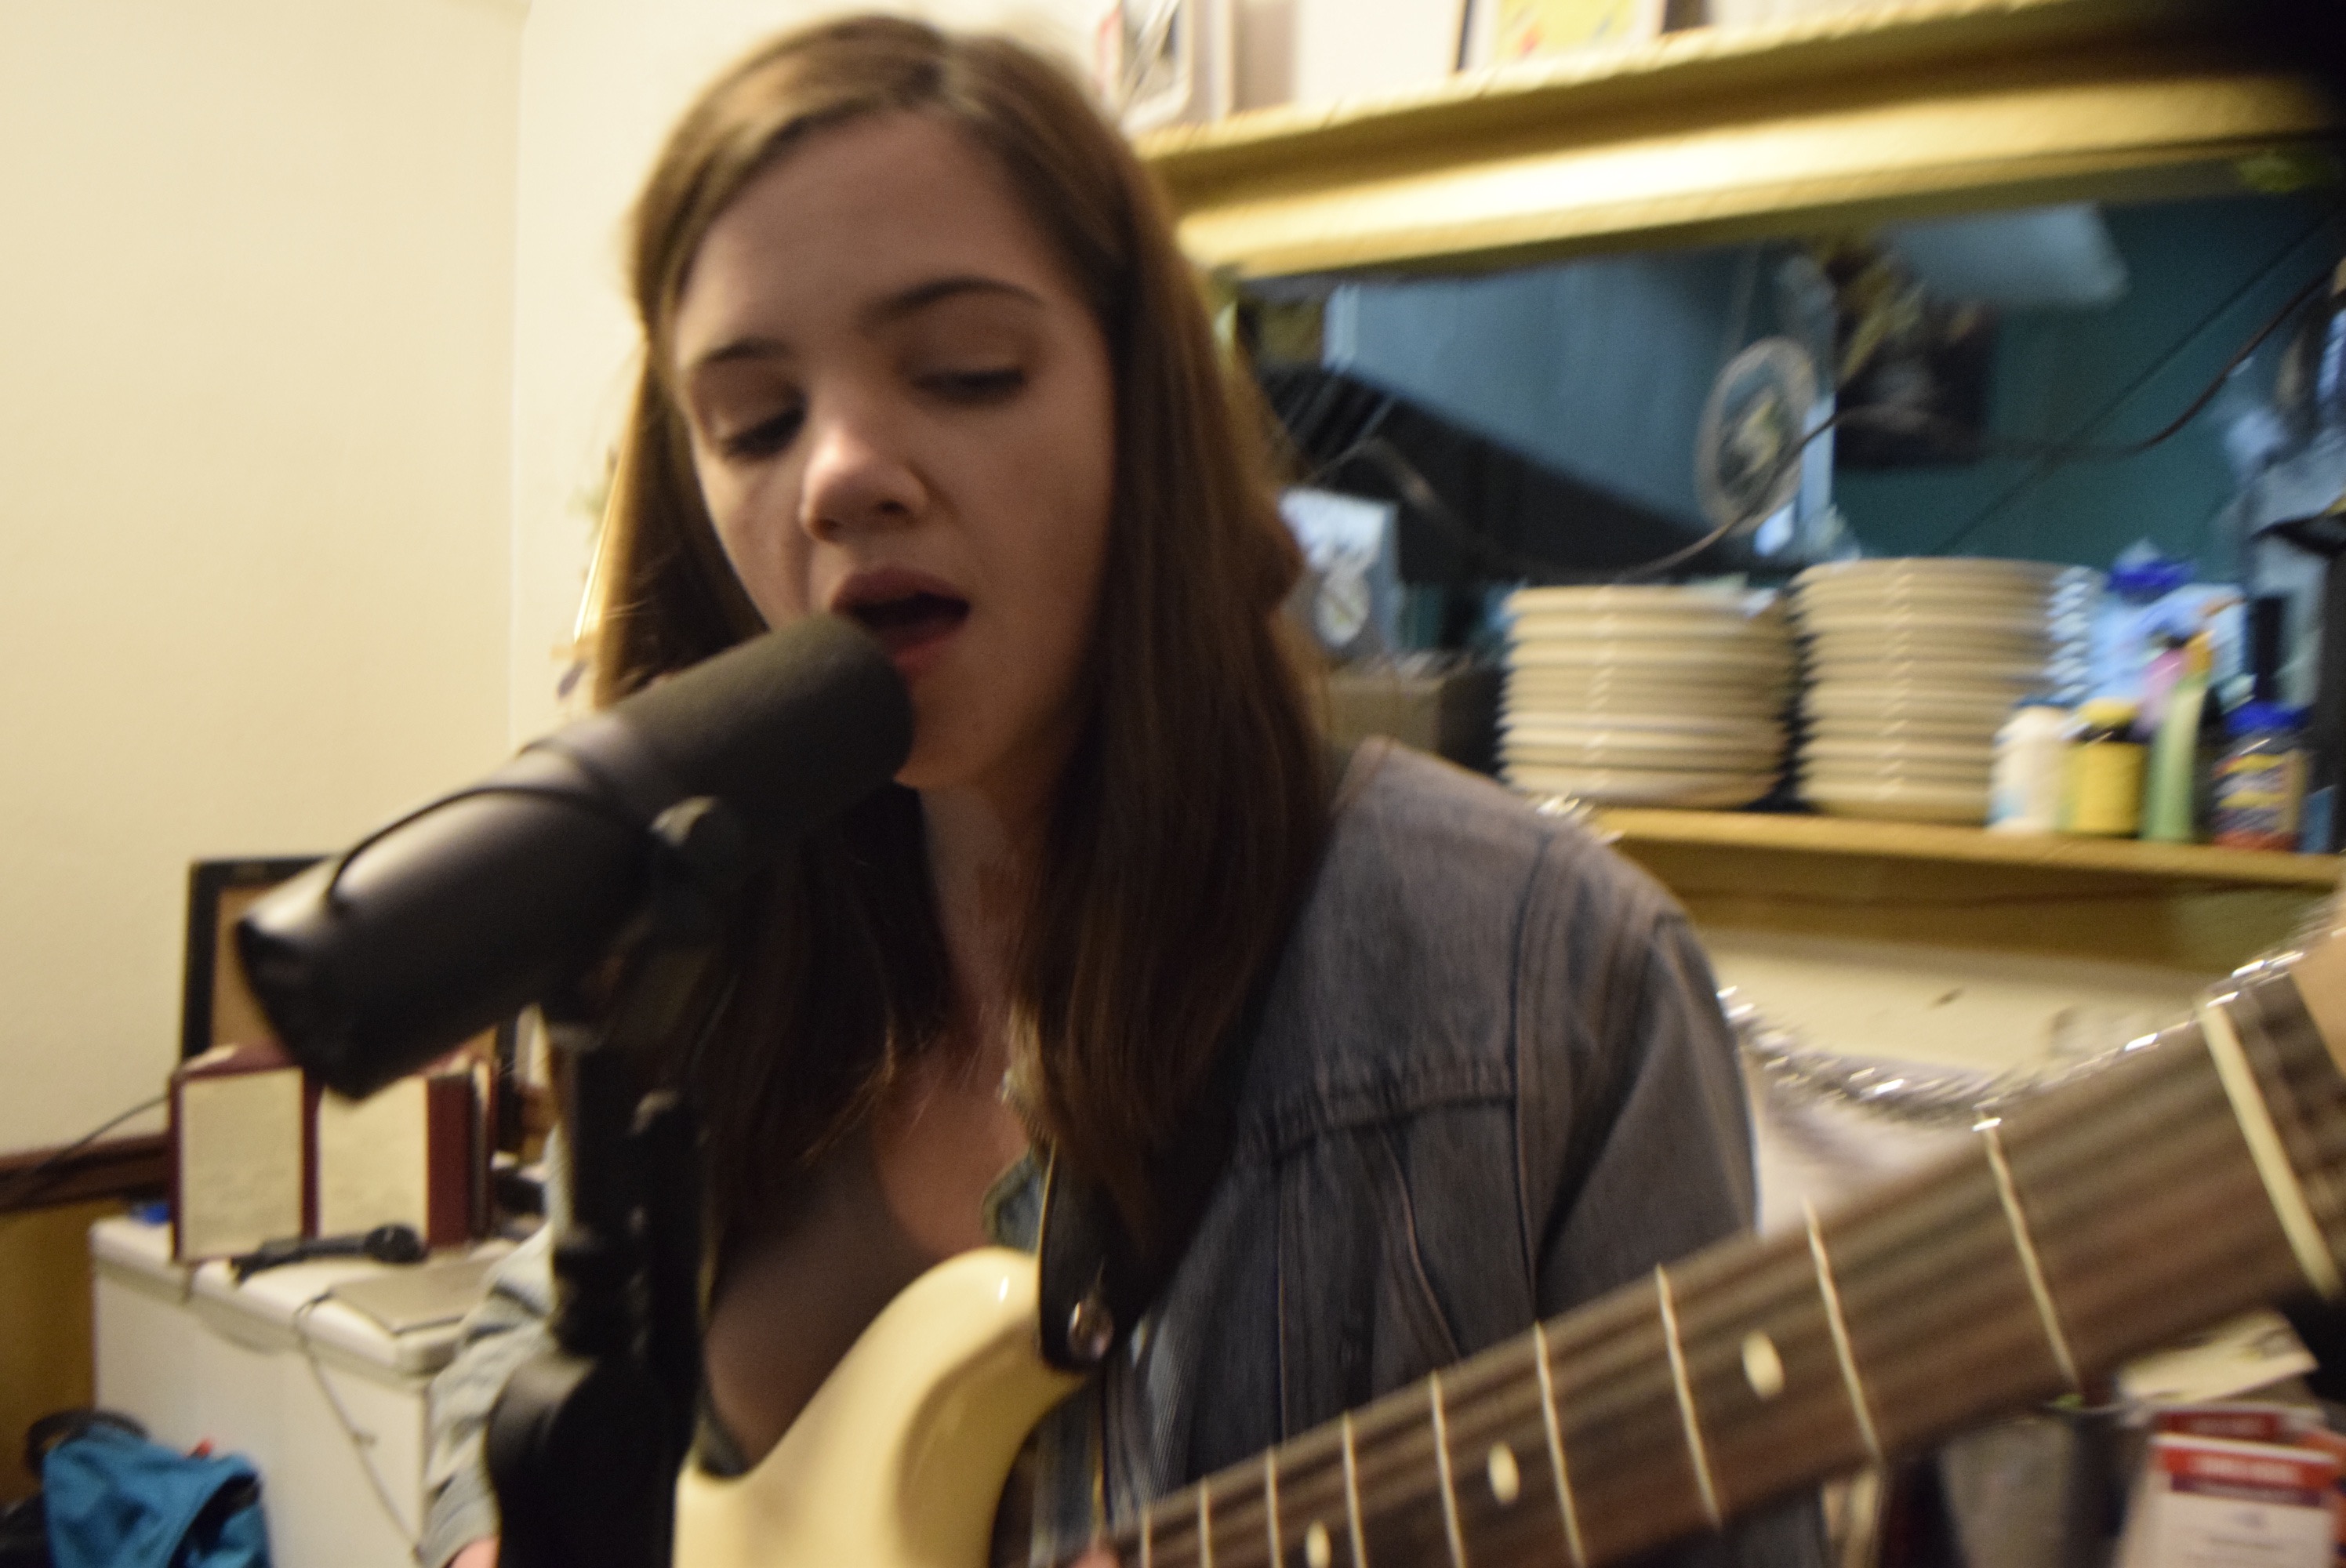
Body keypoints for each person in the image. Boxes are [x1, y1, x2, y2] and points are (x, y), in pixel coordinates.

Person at [422, 16, 1823, 1568]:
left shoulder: (1556, 982)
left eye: (965, 371)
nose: (836, 475)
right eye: (753, 421)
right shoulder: (709, 929)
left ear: (1137, 409)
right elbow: (526, 1329)